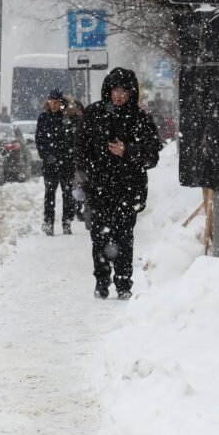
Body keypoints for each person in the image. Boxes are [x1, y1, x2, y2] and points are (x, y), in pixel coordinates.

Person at [75, 68, 160, 300]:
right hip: (99, 189)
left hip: (128, 190)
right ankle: (101, 281)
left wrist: (128, 151)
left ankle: (123, 283)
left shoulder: (140, 119)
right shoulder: (93, 115)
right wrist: (91, 174)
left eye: (124, 91)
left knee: (124, 238)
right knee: (99, 238)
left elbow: (152, 156)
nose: (119, 96)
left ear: (131, 93)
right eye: (115, 90)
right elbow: (81, 151)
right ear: (108, 90)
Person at [34, 90, 78, 236]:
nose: (53, 104)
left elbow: (75, 139)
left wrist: (71, 156)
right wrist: (45, 155)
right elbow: (39, 139)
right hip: (50, 163)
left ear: (61, 103)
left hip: (66, 162)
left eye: (56, 102)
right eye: (51, 101)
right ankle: (48, 222)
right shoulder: (44, 118)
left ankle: (66, 222)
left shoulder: (69, 117)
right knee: (50, 193)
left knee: (67, 193)